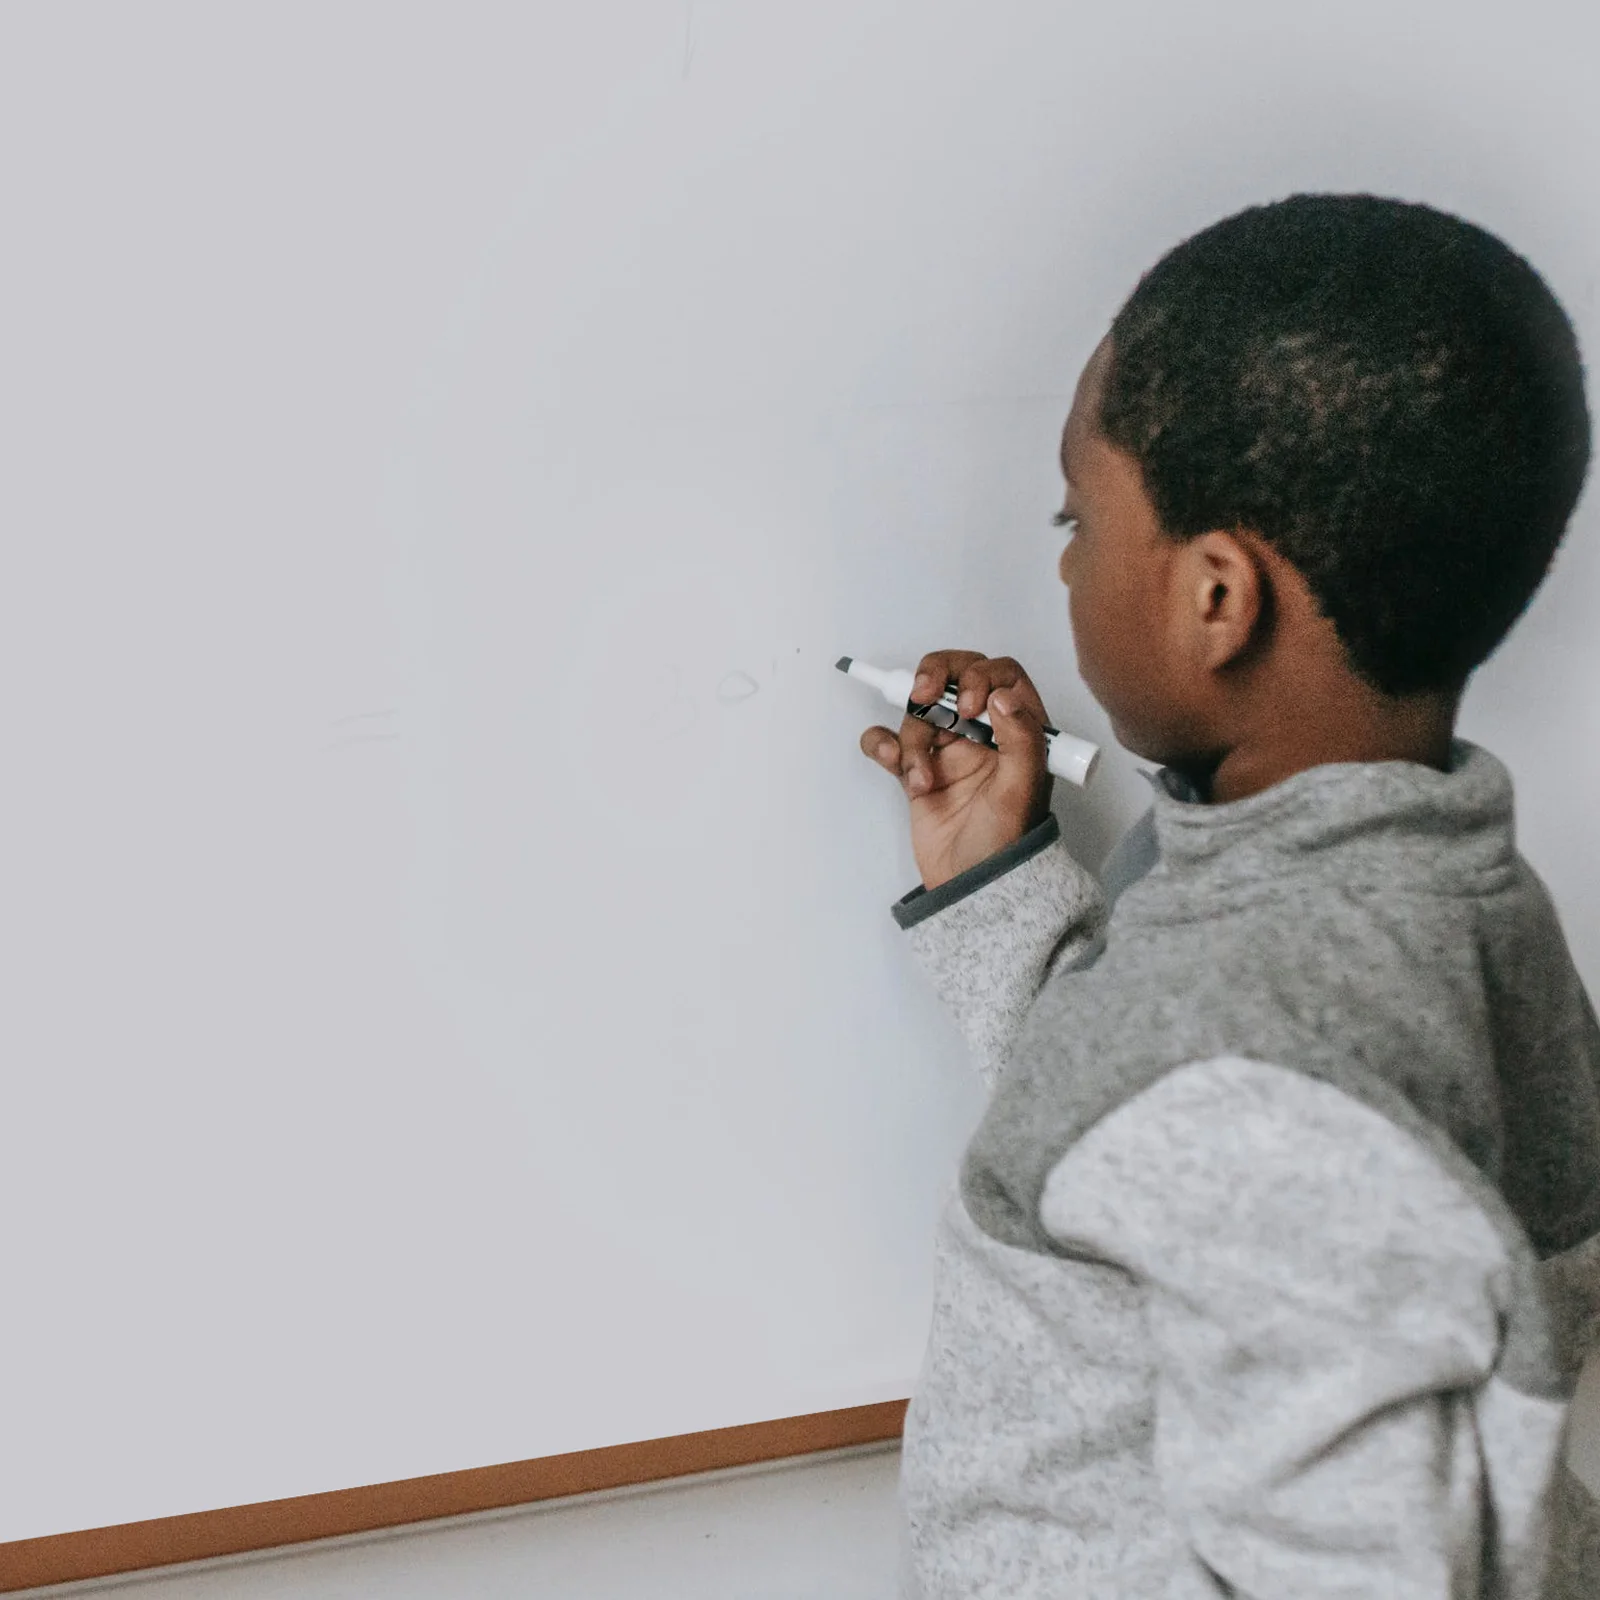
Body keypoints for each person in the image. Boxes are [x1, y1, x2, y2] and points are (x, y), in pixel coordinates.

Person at [857, 192, 1600, 1597]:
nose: (1064, 561)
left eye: (1081, 517)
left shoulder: (1259, 1055)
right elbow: (1142, 1121)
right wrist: (998, 882)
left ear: (1217, 598)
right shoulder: (1444, 895)